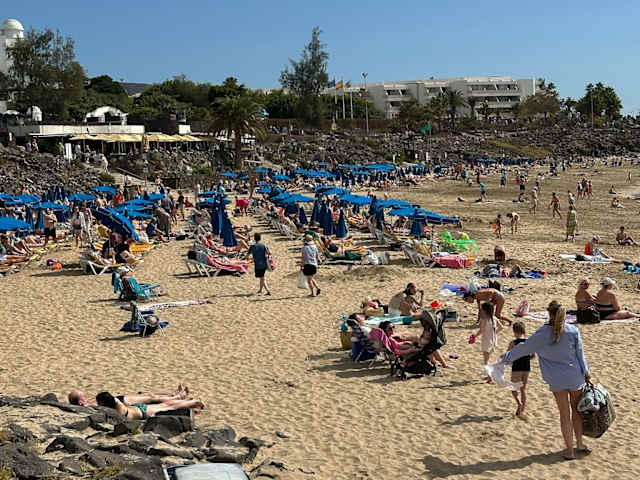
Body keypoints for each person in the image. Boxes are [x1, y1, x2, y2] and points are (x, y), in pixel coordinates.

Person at [500, 301, 591, 460]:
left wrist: (504, 359)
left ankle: (570, 451)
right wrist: (587, 373)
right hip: (574, 375)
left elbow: (523, 349)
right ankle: (580, 444)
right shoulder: (573, 331)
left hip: (556, 379)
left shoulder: (542, 333)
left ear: (549, 314)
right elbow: (580, 355)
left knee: (564, 414)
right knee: (576, 412)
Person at [96, 392, 204, 420]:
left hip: (143, 412)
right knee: (166, 405)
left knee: (169, 407)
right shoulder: (116, 403)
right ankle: (191, 402)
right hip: (138, 408)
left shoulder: (116, 411)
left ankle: (194, 402)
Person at [69, 385, 189, 407]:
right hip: (122, 402)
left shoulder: (86, 403)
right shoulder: (86, 406)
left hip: (120, 399)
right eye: (82, 396)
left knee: (147, 394)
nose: (85, 397)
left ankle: (173, 395)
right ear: (80, 402)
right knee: (151, 398)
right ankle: (178, 397)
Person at [470, 302, 503, 380]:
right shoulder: (494, 318)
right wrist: (494, 333)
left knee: (486, 360)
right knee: (488, 358)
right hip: (493, 341)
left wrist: (475, 336)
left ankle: (489, 376)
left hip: (487, 341)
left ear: (485, 310)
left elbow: (481, 330)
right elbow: (501, 327)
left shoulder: (484, 320)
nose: (480, 310)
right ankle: (489, 375)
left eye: (482, 309)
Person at [507, 321, 533, 416]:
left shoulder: (513, 343)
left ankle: (519, 404)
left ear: (514, 331)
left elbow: (508, 356)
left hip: (517, 367)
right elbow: (533, 355)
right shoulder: (529, 342)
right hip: (526, 367)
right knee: (523, 389)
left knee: (513, 388)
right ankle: (522, 409)